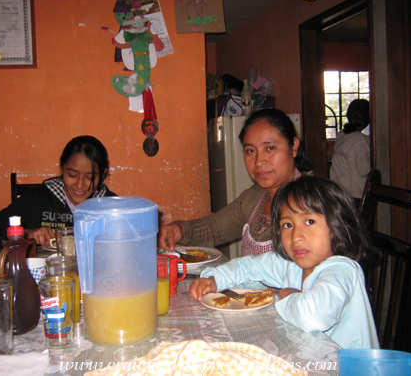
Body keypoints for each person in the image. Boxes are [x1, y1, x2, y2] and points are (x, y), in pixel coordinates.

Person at [189, 176, 379, 349]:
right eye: (287, 225)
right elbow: (248, 266)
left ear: (338, 225)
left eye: (310, 221)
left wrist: (287, 295)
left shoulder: (341, 270)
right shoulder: (292, 263)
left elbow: (313, 316)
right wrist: (215, 279)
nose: (296, 236)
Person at [158, 109, 310, 257]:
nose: (258, 161)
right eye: (250, 151)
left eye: (270, 148)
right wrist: (180, 228)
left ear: (294, 146)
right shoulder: (254, 197)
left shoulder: (312, 202)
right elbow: (214, 228)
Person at [0, 136, 117, 249]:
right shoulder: (36, 199)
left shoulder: (112, 206)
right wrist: (25, 234)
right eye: (72, 175)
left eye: (90, 177)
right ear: (61, 169)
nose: (80, 185)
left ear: (103, 175)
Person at [330, 99, 370, 206]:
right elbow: (364, 170)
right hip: (356, 196)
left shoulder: (341, 135)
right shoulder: (360, 140)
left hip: (340, 193)